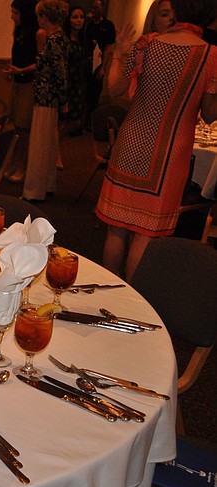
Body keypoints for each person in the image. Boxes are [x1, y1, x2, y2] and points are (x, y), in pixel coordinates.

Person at [96, 0, 217, 280]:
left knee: (117, 227)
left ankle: (107, 290)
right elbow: (210, 115)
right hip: (169, 153)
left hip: (130, 141)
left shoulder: (146, 44)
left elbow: (114, 87)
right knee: (145, 232)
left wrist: (118, 54)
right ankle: (133, 300)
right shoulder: (211, 56)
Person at [21, 0, 68, 203]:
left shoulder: (54, 40)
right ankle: (46, 184)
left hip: (47, 97)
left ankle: (34, 190)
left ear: (46, 17)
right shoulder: (57, 38)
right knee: (47, 143)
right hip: (48, 96)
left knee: (40, 144)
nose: (38, 19)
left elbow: (60, 72)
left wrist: (64, 99)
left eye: (40, 16)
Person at [2, 0, 41, 183]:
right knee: (15, 124)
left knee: (25, 128)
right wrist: (12, 71)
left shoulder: (37, 34)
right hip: (18, 82)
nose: (12, 16)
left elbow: (40, 63)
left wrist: (22, 70)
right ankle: (12, 162)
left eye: (15, 13)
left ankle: (22, 165)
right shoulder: (18, 31)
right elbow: (15, 54)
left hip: (29, 84)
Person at [85, 0, 115, 123]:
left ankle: (90, 120)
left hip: (98, 64)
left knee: (94, 92)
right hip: (85, 62)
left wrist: (104, 68)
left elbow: (109, 48)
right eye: (92, 7)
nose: (94, 10)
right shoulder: (88, 24)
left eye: (97, 7)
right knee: (84, 91)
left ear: (102, 8)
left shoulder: (108, 25)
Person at [63, 5, 90, 134]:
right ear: (68, 19)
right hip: (66, 82)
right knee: (63, 117)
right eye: (75, 17)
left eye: (82, 17)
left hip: (78, 81)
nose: (79, 20)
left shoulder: (83, 38)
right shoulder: (64, 38)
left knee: (76, 116)